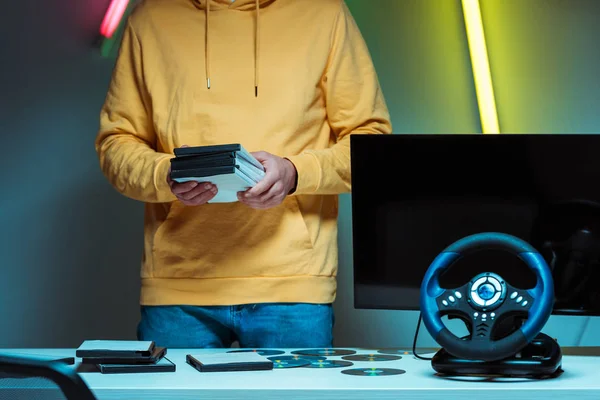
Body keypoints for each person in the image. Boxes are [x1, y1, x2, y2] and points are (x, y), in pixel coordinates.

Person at [95, 0, 392, 349]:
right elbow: (116, 143)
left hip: (292, 286)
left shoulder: (325, 13)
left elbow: (372, 145)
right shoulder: (150, 18)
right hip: (179, 286)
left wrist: (296, 172)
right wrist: (166, 175)